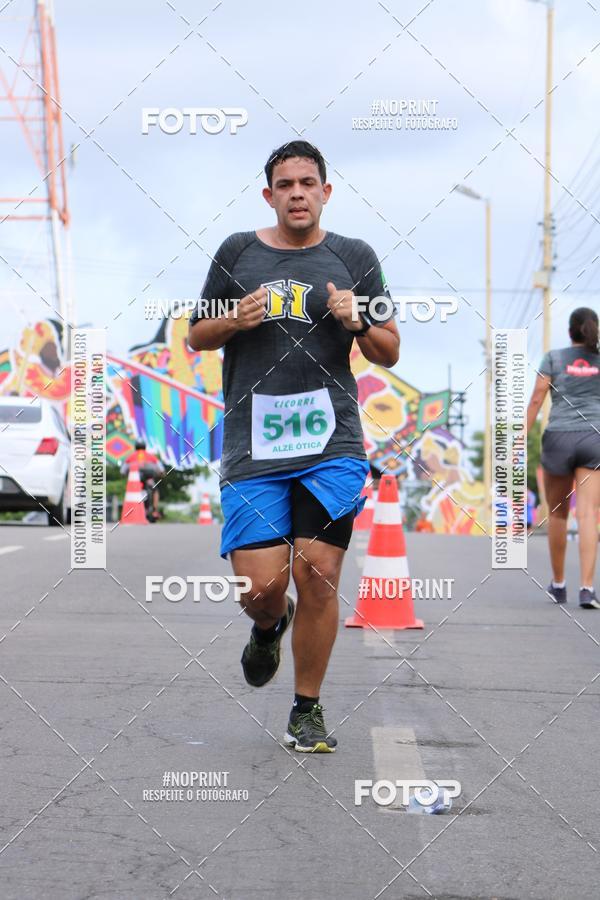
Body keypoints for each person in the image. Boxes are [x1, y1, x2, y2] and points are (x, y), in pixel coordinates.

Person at [188, 141, 399, 752]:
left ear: (326, 192)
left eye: (309, 183)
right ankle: (267, 627)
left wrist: (357, 320)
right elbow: (198, 333)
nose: (298, 193)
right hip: (253, 446)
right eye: (286, 185)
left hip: (332, 441)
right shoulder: (238, 253)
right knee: (260, 590)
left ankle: (307, 708)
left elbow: (390, 347)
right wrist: (235, 322)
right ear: (270, 195)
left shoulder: (354, 257)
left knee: (320, 572)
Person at [526, 307, 600, 608]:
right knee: (587, 514)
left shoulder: (554, 358)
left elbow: (536, 399)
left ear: (570, 331)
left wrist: (520, 437)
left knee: (557, 513)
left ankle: (559, 586)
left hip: (559, 437)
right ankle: (587, 589)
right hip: (593, 437)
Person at [122, 440, 164, 521]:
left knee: (131, 493)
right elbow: (160, 468)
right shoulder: (151, 456)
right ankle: (155, 510)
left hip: (136, 481)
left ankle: (133, 511)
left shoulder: (131, 456)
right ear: (145, 447)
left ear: (135, 447)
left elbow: (123, 470)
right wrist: (161, 473)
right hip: (149, 478)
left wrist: (125, 475)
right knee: (155, 490)